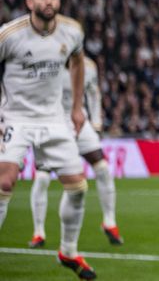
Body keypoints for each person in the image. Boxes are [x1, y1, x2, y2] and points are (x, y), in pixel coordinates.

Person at [0, 0, 96, 279]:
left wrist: (77, 107)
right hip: (15, 117)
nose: (48, 2)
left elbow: (78, 63)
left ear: (59, 1)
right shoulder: (10, 34)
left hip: (54, 119)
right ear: (29, 2)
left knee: (78, 186)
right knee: (4, 182)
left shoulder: (72, 31)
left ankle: (68, 252)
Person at [29, 56, 123, 248]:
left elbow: (94, 94)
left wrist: (96, 124)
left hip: (79, 121)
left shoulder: (88, 66)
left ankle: (110, 222)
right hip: (51, 124)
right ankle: (39, 232)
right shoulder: (45, 64)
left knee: (103, 168)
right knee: (42, 178)